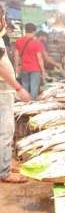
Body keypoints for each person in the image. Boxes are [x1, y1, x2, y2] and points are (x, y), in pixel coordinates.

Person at [1, 45, 32, 184]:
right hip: (2, 91)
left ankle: (4, 164)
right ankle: (4, 172)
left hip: (4, 91)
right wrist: (18, 88)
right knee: (5, 132)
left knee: (5, 132)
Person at [13, 23, 45, 100]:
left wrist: (16, 67)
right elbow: (39, 58)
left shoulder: (19, 41)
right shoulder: (37, 42)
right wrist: (43, 70)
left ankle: (25, 104)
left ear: (25, 30)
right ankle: (31, 105)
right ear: (34, 31)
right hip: (35, 69)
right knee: (34, 89)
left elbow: (16, 56)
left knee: (25, 88)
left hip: (24, 68)